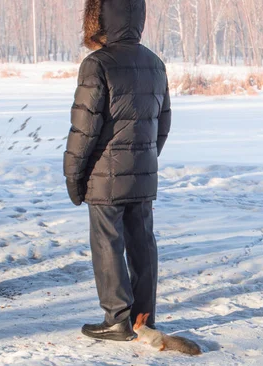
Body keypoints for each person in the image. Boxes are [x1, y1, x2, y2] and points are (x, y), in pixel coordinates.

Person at [64, 0, 172, 341]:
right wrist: (144, 159)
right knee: (142, 242)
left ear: (100, 19)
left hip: (104, 175)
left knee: (107, 242)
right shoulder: (155, 63)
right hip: (143, 171)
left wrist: (73, 175)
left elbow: (84, 129)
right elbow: (163, 123)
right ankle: (144, 317)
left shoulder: (97, 64)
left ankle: (117, 319)